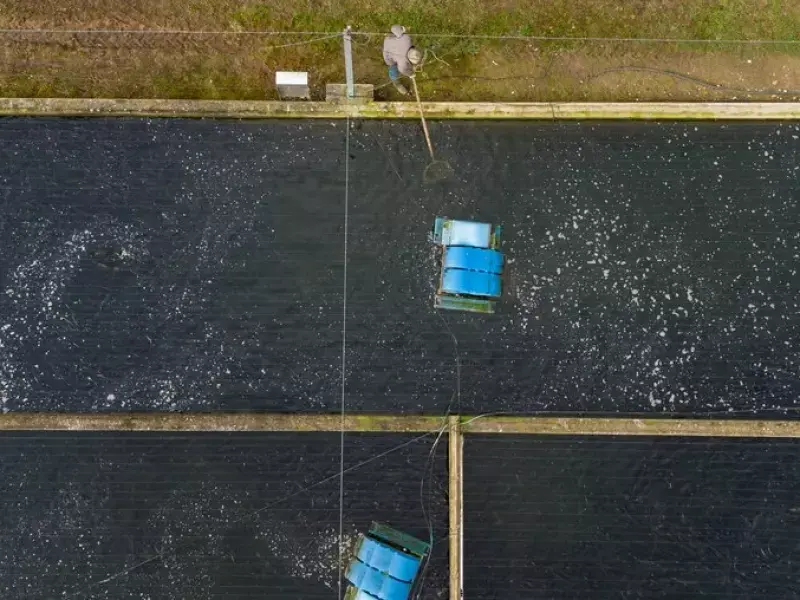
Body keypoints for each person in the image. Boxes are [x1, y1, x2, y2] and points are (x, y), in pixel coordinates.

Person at [383, 25, 415, 95]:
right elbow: (402, 69)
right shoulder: (406, 38)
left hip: (390, 60)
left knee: (395, 80)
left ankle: (406, 92)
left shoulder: (387, 39)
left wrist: (389, 61)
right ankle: (407, 92)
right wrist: (411, 74)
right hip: (396, 61)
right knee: (398, 76)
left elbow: (385, 53)